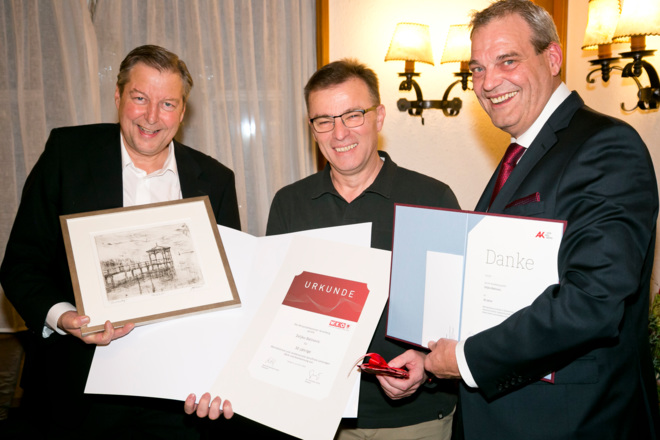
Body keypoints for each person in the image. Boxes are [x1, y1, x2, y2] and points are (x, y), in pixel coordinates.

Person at [386, 1, 660, 439]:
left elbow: (592, 301)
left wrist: (466, 359)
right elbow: (486, 296)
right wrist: (433, 359)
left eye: (507, 61)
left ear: (552, 58)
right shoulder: (521, 153)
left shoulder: (607, 146)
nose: (488, 82)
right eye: (477, 68)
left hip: (572, 423)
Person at [185, 59, 460, 439]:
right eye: (324, 120)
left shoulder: (432, 199)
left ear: (379, 117)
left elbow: (456, 315)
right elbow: (269, 312)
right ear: (312, 128)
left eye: (353, 115)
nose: (339, 132)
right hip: (310, 416)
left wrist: (427, 364)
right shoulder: (290, 203)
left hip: (410, 420)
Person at [0, 44, 241, 438]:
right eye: (140, 98)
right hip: (78, 392)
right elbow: (21, 265)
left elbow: (229, 293)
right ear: (118, 96)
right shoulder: (67, 154)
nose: (151, 116)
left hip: (178, 397)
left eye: (167, 104)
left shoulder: (215, 180)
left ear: (183, 111)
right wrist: (66, 318)